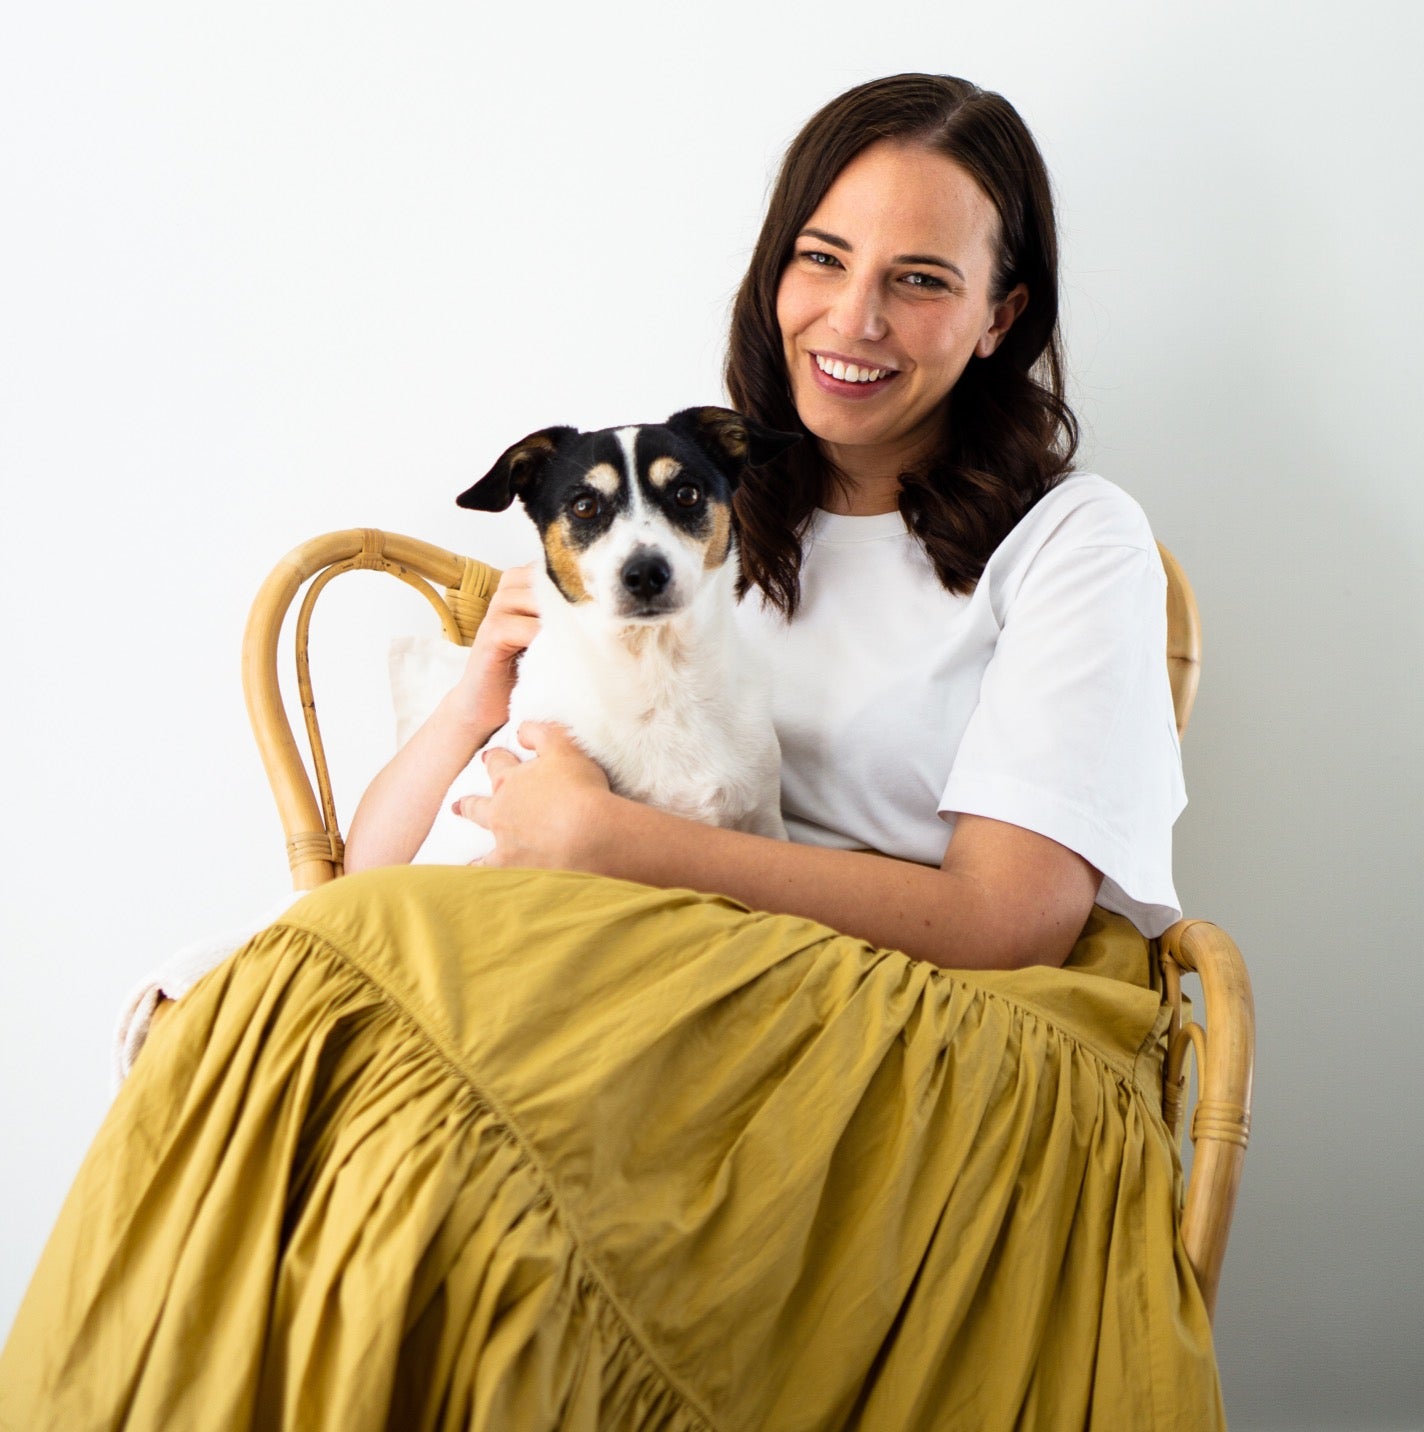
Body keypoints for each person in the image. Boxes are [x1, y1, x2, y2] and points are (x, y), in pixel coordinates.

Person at [0, 74, 1223, 1429]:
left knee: (425, 1136)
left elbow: (1017, 914)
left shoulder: (1073, 540)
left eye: (921, 279)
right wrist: (497, 702)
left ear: (1006, 315)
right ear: (775, 271)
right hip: (642, 949)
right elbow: (514, 756)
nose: (855, 318)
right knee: (328, 1079)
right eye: (822, 259)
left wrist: (609, 840)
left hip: (903, 993)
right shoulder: (692, 514)